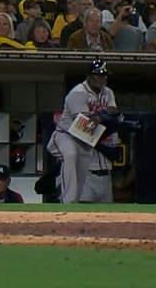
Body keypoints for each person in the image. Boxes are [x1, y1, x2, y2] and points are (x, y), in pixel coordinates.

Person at [46, 60, 119, 204]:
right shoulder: (78, 93)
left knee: (80, 175)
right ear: (89, 76)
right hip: (66, 135)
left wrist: (102, 114)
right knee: (70, 155)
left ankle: (73, 205)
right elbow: (85, 122)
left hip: (85, 140)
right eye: (98, 75)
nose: (102, 78)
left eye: (104, 75)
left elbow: (114, 110)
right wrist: (103, 115)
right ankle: (67, 203)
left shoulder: (108, 92)